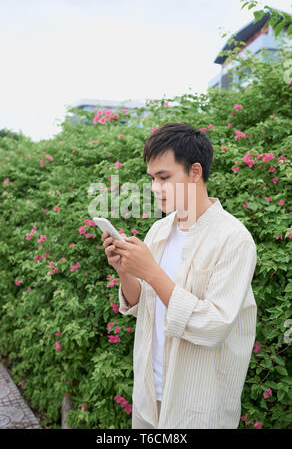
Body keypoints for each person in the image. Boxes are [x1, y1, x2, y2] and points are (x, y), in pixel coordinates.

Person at [102, 122, 257, 429]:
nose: (155, 188)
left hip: (197, 401)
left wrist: (151, 272)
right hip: (150, 392)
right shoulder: (160, 230)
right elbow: (143, 306)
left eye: (164, 177)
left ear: (195, 172)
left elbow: (215, 325)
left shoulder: (234, 239)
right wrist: (126, 273)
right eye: (151, 178)